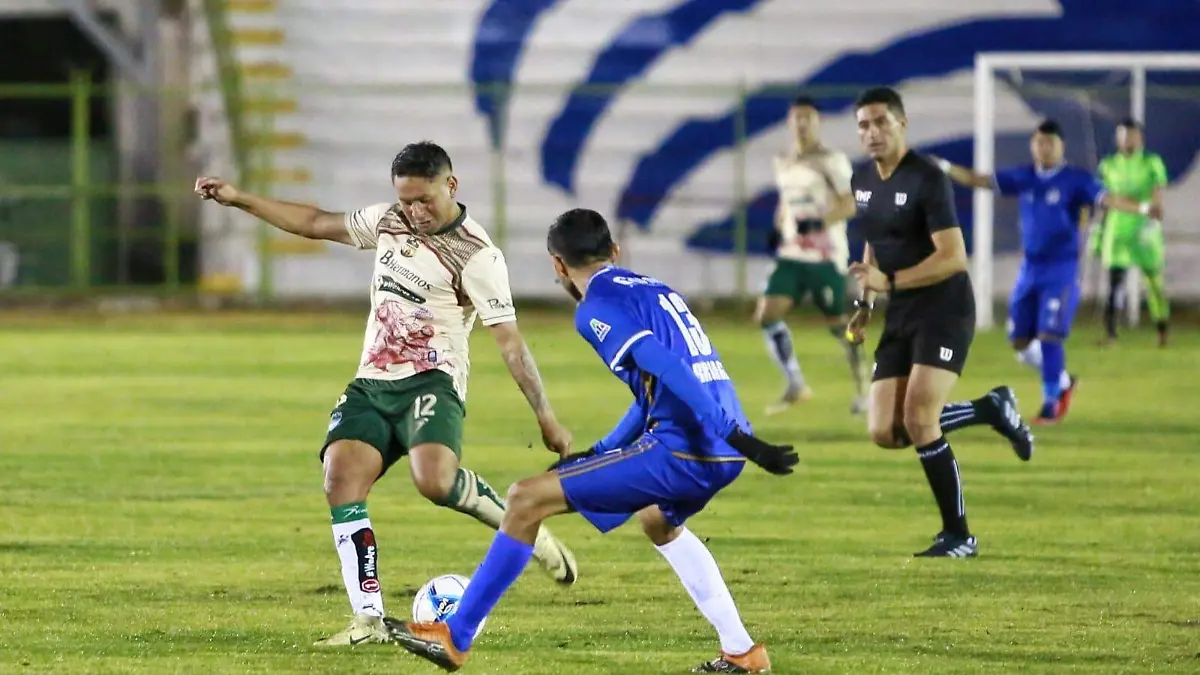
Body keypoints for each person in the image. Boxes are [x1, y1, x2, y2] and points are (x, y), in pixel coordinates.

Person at [193, 141, 579, 647]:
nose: (415, 212)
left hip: (433, 381)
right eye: (406, 200)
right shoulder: (388, 221)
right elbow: (314, 222)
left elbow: (510, 342)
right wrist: (239, 198)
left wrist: (546, 417)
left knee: (434, 483)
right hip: (372, 382)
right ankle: (368, 621)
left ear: (451, 186)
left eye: (425, 200)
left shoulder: (477, 255)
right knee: (340, 478)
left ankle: (526, 527)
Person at [384, 207, 798, 673]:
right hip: (718, 449)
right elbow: (652, 393)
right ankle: (742, 651)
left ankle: (454, 636)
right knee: (657, 520)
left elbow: (667, 367)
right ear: (615, 251)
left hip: (690, 448)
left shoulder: (596, 308)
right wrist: (601, 452)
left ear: (557, 265)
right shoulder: (657, 290)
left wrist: (738, 437)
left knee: (524, 499)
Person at [846, 87, 1035, 558]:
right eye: (864, 125)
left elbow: (953, 257)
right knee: (885, 430)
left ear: (902, 124)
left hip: (944, 308)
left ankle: (959, 535)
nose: (872, 132)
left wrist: (889, 281)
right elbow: (874, 244)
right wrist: (866, 304)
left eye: (881, 122)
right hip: (900, 309)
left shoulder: (927, 177)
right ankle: (990, 409)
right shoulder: (861, 179)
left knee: (919, 417)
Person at [933, 120, 1159, 422]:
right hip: (1030, 268)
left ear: (1061, 146)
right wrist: (946, 168)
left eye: (1049, 143)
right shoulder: (1025, 176)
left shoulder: (1076, 180)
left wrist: (1143, 208)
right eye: (1039, 143)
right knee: (1020, 342)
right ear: (1033, 145)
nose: (1044, 148)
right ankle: (1063, 381)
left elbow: (1109, 198)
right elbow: (981, 180)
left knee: (1050, 336)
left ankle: (1051, 403)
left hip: (1062, 268)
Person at [758, 95, 869, 416]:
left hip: (824, 255)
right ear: (789, 122)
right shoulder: (783, 159)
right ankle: (796, 384)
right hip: (792, 253)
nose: (802, 124)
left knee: (838, 324)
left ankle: (865, 389)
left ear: (818, 122)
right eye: (797, 118)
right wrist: (778, 227)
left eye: (808, 118)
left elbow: (850, 203)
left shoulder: (831, 160)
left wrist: (820, 222)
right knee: (767, 313)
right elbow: (787, 200)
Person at [1093, 118, 1171, 347]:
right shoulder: (1108, 165)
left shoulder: (1151, 162)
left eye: (1132, 135)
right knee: (1115, 284)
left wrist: (1153, 218)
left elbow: (1157, 194)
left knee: (1154, 283)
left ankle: (1162, 329)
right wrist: (1099, 231)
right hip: (1117, 229)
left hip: (1144, 229)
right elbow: (1106, 199)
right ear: (1118, 139)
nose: (1128, 140)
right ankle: (1111, 334)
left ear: (1140, 138)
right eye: (1123, 136)